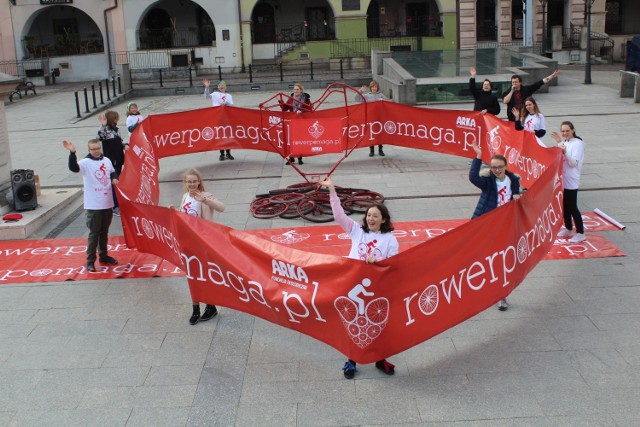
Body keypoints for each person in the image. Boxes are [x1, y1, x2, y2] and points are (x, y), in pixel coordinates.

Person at [320, 176, 399, 379]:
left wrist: (379, 260)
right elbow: (339, 216)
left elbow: (395, 264)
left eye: (375, 216)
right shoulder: (356, 231)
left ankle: (380, 359)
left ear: (383, 219)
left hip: (378, 288)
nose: (370, 218)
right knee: (353, 322)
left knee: (379, 324)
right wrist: (332, 191)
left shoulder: (390, 239)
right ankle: (351, 361)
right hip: (355, 286)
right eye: (368, 215)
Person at [469, 141, 521, 311]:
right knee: (481, 257)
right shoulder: (488, 181)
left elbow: (515, 193)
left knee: (501, 260)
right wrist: (477, 157)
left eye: (499, 167)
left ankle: (501, 296)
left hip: (504, 225)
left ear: (506, 166)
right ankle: (479, 287)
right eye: (493, 167)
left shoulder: (513, 180)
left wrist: (516, 196)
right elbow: (473, 178)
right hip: (487, 223)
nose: (496, 170)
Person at [177, 168, 226, 325]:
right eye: (189, 182)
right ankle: (195, 309)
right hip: (187, 241)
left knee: (204, 275)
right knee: (192, 276)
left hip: (202, 241)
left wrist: (204, 199)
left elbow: (221, 207)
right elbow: (183, 216)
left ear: (199, 182)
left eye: (194, 181)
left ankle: (210, 306)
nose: (192, 184)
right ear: (185, 183)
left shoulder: (205, 196)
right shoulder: (185, 196)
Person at [63, 139, 119, 272]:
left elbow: (112, 171)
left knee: (104, 232)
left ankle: (104, 255)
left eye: (98, 148)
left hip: (107, 202)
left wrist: (114, 178)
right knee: (94, 233)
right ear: (89, 150)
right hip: (94, 204)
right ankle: (90, 261)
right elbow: (74, 168)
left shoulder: (106, 160)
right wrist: (72, 153)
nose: (96, 151)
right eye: (93, 149)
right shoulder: (85, 163)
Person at [550, 121, 586, 243]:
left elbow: (573, 163)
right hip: (563, 179)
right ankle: (569, 228)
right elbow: (564, 151)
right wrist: (559, 142)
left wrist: (564, 152)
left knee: (572, 206)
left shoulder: (578, 144)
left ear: (573, 130)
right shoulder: (566, 142)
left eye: (567, 130)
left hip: (571, 180)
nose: (565, 133)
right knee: (564, 206)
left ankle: (580, 232)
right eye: (563, 131)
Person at [98, 110, 127, 216]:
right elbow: (99, 137)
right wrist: (103, 126)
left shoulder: (116, 129)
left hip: (118, 158)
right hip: (111, 160)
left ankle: (117, 203)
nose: (117, 120)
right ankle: (115, 206)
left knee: (117, 182)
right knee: (114, 183)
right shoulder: (107, 130)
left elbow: (119, 142)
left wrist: (124, 145)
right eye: (115, 118)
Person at [204, 79, 235, 161]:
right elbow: (207, 97)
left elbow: (232, 106)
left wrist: (226, 104)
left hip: (226, 118)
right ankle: (222, 154)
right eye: (220, 85)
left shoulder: (229, 96)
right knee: (220, 135)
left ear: (225, 87)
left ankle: (228, 153)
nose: (221, 86)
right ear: (218, 87)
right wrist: (207, 88)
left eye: (223, 85)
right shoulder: (215, 94)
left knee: (227, 135)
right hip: (217, 117)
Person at [281, 83, 311, 165]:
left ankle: (300, 158)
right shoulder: (291, 99)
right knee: (291, 140)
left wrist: (302, 111)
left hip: (301, 122)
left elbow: (310, 109)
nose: (296, 91)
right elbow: (285, 108)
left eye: (297, 89)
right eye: (294, 89)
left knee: (299, 140)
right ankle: (291, 158)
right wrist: (280, 100)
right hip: (292, 121)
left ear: (301, 90)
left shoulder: (306, 99)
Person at [355, 80, 386, 157]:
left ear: (377, 88)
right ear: (371, 88)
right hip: (370, 118)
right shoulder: (367, 96)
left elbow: (385, 105)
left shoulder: (381, 95)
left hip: (379, 117)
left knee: (379, 134)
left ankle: (380, 149)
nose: (374, 88)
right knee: (371, 133)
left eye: (375, 87)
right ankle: (371, 150)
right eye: (373, 87)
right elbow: (357, 99)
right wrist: (361, 91)